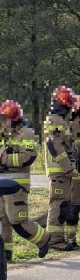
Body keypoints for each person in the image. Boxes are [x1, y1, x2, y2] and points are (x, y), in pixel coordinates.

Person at [0, 100, 50, 261]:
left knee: (17, 220)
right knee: (2, 220)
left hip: (16, 185)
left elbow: (29, 157)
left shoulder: (25, 133)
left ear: (12, 118)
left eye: (1, 118)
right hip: (0, 185)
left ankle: (44, 239)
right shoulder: (3, 132)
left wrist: (3, 160)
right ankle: (6, 254)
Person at [44, 86, 77, 251]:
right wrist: (69, 168)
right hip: (59, 170)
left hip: (62, 171)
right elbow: (55, 145)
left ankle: (58, 239)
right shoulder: (56, 120)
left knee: (63, 205)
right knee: (57, 205)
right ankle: (55, 240)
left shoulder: (60, 119)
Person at [65, 95, 80, 247]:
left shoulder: (69, 126)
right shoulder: (72, 127)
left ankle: (71, 239)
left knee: (73, 207)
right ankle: (70, 239)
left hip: (75, 174)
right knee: (73, 208)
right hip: (76, 173)